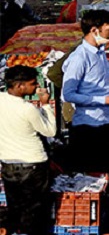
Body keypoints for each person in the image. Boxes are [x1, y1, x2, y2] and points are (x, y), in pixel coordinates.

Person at [62, 9, 109, 229]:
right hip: (89, 127)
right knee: (93, 179)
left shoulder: (100, 52)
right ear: (94, 29)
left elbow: (99, 82)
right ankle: (97, 223)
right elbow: (69, 94)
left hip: (108, 123)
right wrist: (105, 100)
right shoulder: (79, 57)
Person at [0, 66, 56, 235]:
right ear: (19, 86)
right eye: (32, 84)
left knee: (15, 209)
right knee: (36, 213)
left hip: (8, 164)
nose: (36, 86)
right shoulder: (27, 109)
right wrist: (45, 105)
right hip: (33, 166)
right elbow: (50, 131)